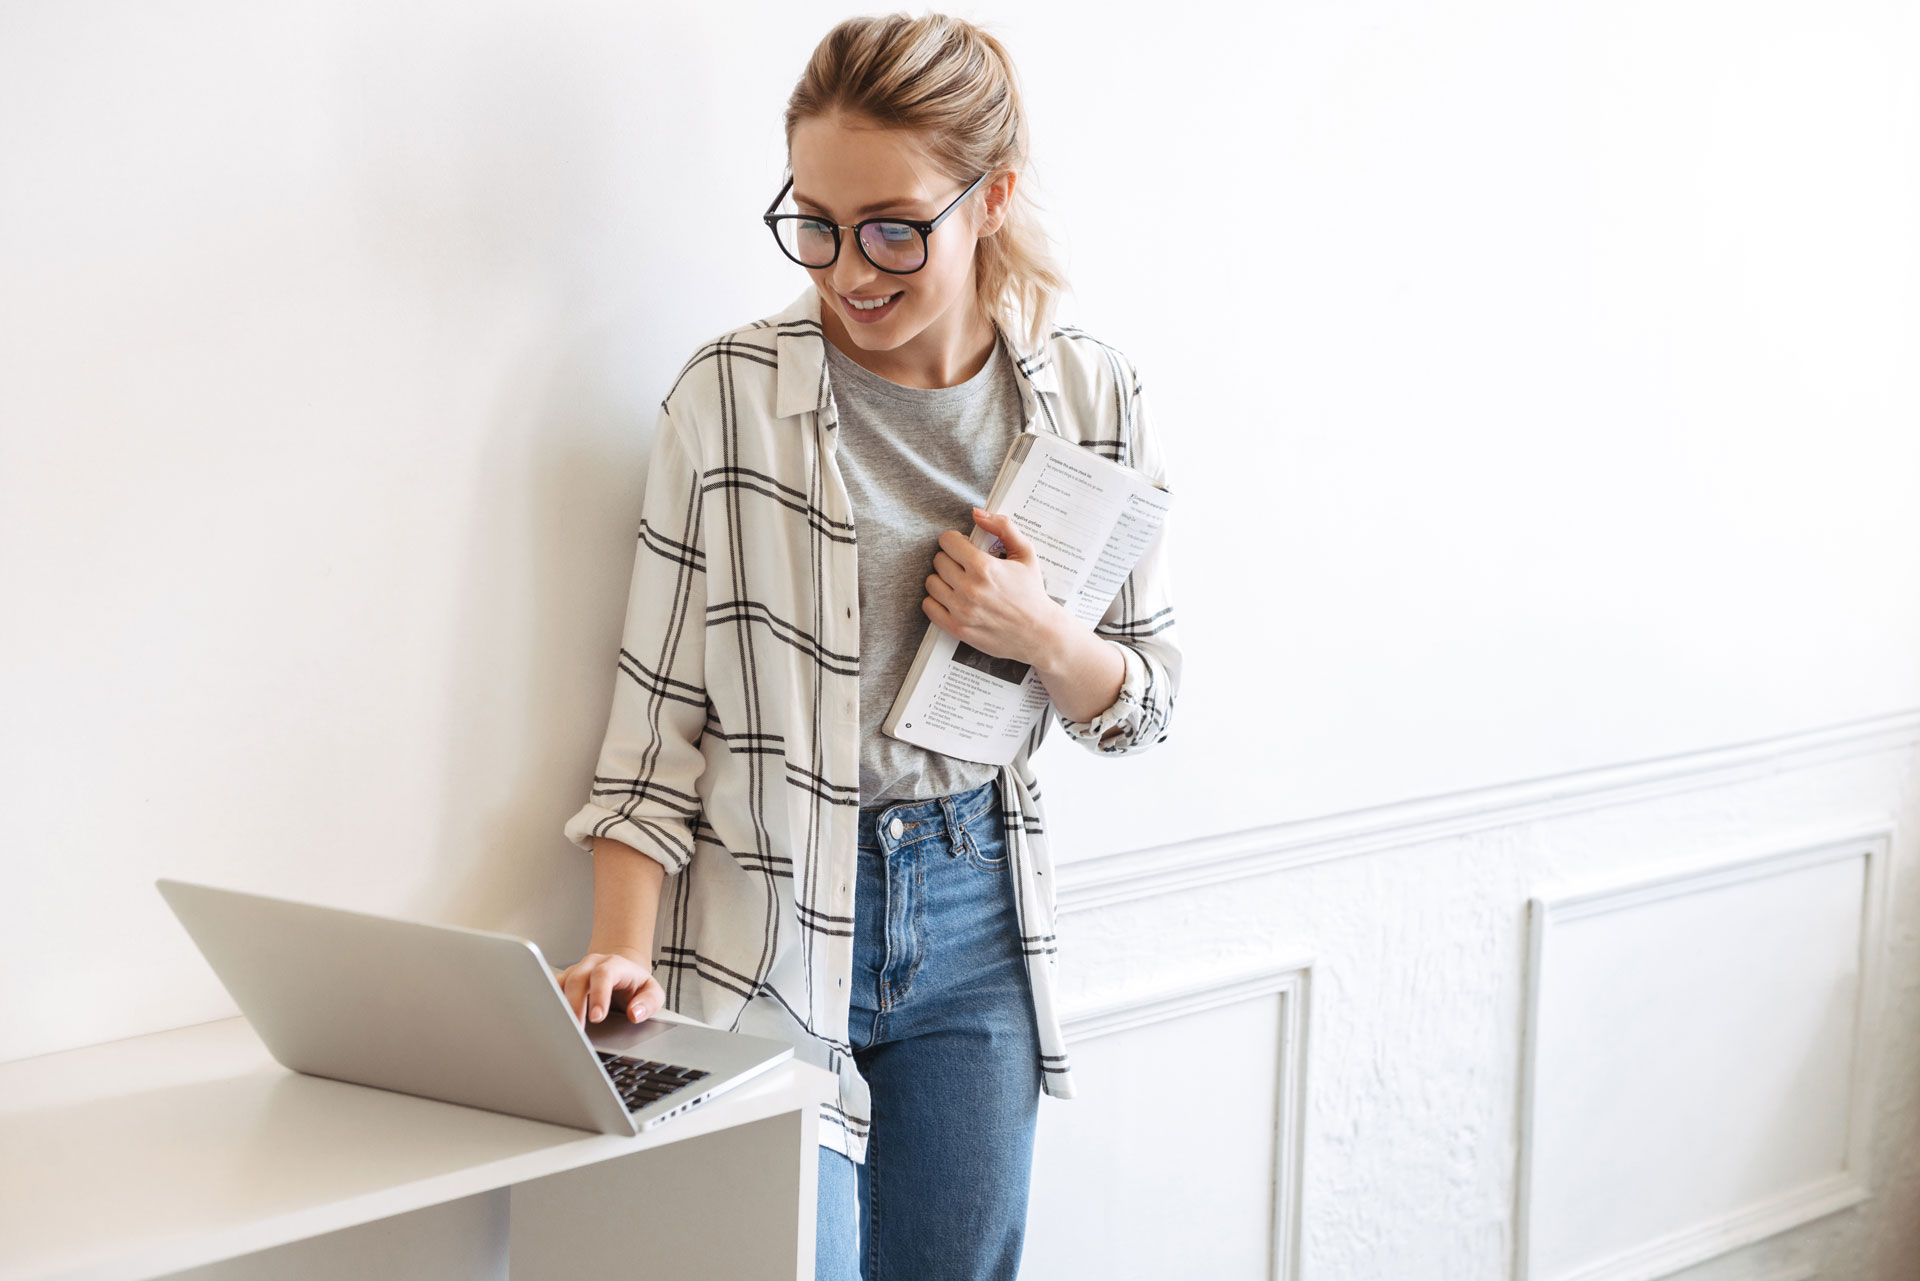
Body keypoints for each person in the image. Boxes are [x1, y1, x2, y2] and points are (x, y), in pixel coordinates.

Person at [553, 12, 1181, 1280]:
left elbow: (1142, 703)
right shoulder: (730, 398)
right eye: (818, 224)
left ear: (991, 197)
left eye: (896, 226)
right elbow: (652, 731)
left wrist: (1042, 635)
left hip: (976, 918)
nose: (850, 269)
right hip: (768, 919)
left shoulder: (1093, 398)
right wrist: (622, 946)